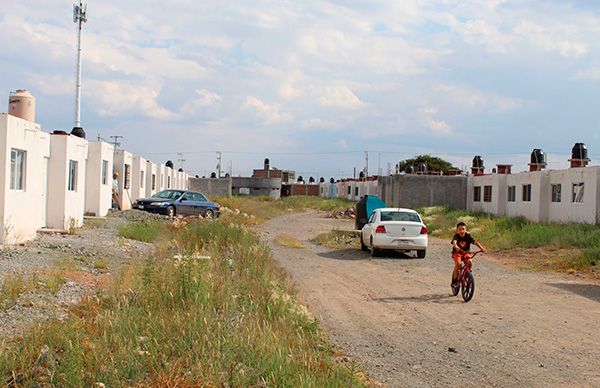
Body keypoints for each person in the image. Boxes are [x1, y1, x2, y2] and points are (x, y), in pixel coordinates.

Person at [451, 222, 485, 287]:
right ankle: (455, 281)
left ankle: (467, 275)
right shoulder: (456, 236)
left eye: (463, 229)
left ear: (466, 230)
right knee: (458, 264)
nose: (462, 231)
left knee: (470, 262)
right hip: (457, 253)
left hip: (466, 253)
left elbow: (475, 242)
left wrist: (481, 248)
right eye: (460, 229)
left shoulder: (468, 236)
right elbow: (454, 242)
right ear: (457, 230)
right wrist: (456, 246)